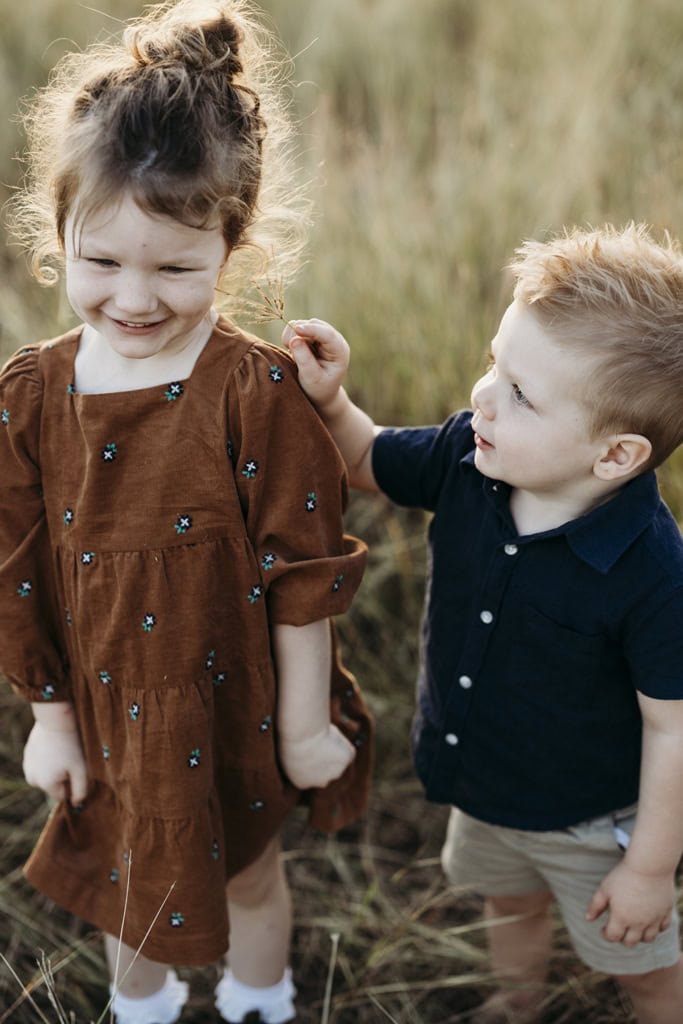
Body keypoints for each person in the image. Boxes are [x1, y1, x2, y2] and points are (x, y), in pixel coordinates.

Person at [0, 3, 372, 1023]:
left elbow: (302, 575)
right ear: (60, 228)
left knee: (249, 873)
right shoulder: (30, 395)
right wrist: (49, 719)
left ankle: (263, 998)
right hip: (109, 705)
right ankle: (144, 1008)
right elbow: (17, 567)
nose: (134, 297)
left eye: (174, 267)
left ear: (230, 244)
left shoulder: (255, 393)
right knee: (130, 876)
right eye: (102, 260)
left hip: (234, 699)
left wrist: (302, 726)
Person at [283, 223, 683, 1024]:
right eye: (495, 363)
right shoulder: (471, 455)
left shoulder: (650, 572)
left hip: (594, 821)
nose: (481, 396)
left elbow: (671, 729)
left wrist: (647, 868)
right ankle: (515, 999)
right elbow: (363, 459)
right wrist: (331, 401)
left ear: (614, 456)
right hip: (484, 786)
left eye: (520, 393)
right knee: (509, 906)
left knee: (639, 963)